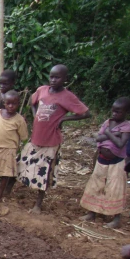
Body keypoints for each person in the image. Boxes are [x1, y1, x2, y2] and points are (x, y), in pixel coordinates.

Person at [17, 64, 91, 213]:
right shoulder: (42, 90)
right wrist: (35, 113)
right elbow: (32, 103)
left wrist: (64, 120)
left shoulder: (67, 96)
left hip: (51, 141)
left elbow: (86, 113)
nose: (53, 80)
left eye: (57, 77)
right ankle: (9, 191)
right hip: (36, 138)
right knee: (21, 162)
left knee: (44, 172)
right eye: (51, 76)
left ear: (65, 79)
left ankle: (38, 204)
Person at [79, 98, 130, 228]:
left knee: (115, 188)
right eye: (113, 111)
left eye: (118, 112)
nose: (114, 114)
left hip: (117, 162)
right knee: (96, 185)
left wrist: (109, 133)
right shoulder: (107, 122)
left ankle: (116, 218)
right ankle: (92, 212)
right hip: (102, 159)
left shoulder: (127, 127)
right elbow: (98, 138)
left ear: (127, 112)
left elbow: (120, 144)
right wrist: (113, 134)